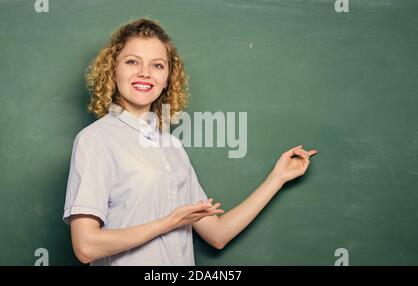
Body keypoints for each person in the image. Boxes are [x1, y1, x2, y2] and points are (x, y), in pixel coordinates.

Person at [63, 18, 318, 266]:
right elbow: (86, 247)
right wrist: (167, 223)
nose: (145, 73)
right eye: (132, 62)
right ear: (113, 70)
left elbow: (217, 235)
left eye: (158, 65)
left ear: (167, 79)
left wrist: (277, 178)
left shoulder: (172, 147)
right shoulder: (96, 140)